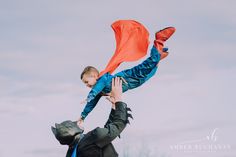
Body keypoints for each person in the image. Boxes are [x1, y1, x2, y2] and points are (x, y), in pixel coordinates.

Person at [78, 27, 175, 125]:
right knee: (151, 73)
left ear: (95, 76)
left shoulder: (102, 78)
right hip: (134, 83)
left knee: (148, 65)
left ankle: (159, 40)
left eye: (87, 81)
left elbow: (97, 87)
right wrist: (83, 116)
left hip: (130, 76)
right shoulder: (99, 91)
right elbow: (91, 104)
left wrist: (90, 95)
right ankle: (158, 57)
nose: (86, 85)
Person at [51, 77, 133, 157]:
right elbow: (118, 126)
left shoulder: (73, 151)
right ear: (70, 131)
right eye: (72, 123)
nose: (76, 121)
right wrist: (118, 98)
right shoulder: (92, 138)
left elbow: (108, 132)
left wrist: (114, 106)